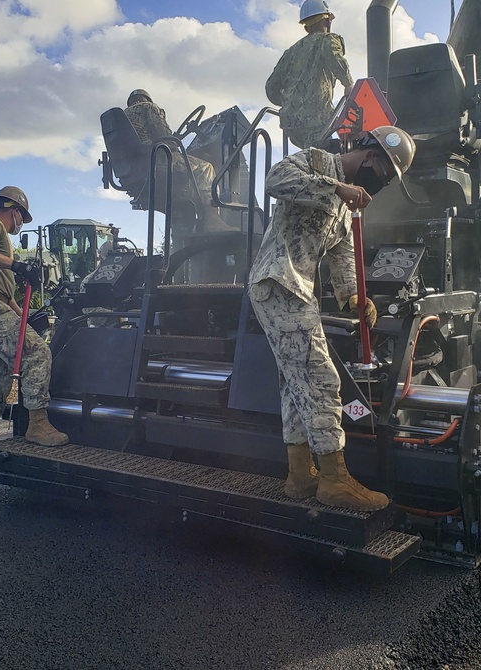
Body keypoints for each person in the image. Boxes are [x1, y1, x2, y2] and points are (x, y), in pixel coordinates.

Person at [248, 126, 415, 511]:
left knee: (296, 383)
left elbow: (343, 253)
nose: (382, 183)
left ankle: (300, 476)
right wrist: (336, 188)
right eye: (386, 174)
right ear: (371, 156)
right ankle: (334, 480)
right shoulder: (313, 162)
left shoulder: (346, 207)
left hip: (295, 290)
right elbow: (276, 180)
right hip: (278, 282)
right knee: (321, 376)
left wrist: (354, 295)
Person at [0, 185, 69, 463]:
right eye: (22, 216)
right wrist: (16, 266)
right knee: (36, 353)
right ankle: (37, 425)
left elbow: (5, 296)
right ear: (15, 212)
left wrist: (25, 318)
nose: (21, 223)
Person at [124, 89, 231, 232]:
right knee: (205, 167)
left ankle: (189, 219)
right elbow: (166, 136)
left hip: (136, 171)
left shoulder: (122, 117)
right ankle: (211, 219)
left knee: (187, 172)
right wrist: (175, 141)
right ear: (147, 99)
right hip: (159, 161)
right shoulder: (149, 108)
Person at [265, 0, 355, 151]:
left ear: (305, 26)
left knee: (310, 156)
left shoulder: (290, 53)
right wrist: (348, 84)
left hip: (291, 124)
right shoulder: (328, 40)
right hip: (318, 121)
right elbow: (334, 58)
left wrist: (291, 103)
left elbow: (271, 89)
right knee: (324, 158)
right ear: (327, 21)